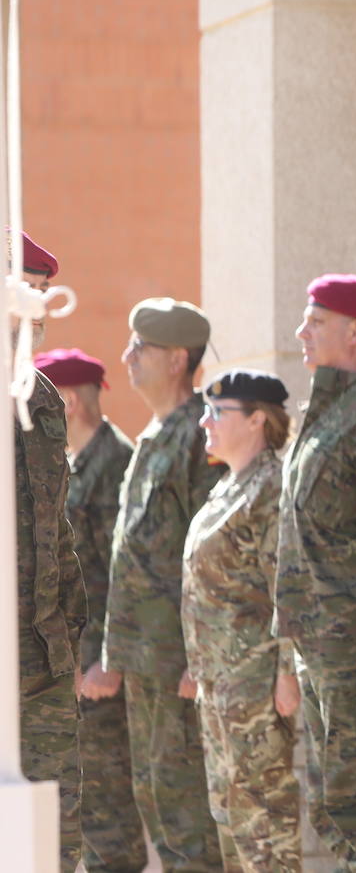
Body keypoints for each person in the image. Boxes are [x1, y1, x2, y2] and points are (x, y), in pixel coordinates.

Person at [275, 274, 356, 870]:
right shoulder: (325, 410)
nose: (301, 331)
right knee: (331, 805)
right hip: (319, 646)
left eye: (316, 321)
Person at [96, 297, 225, 870]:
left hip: (176, 659)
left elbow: (208, 555)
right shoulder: (153, 437)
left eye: (139, 347)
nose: (127, 356)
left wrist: (199, 655)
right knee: (155, 801)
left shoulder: (199, 436)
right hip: (143, 657)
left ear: (176, 360)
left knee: (186, 811)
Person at [183, 369, 301, 871]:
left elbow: (286, 585)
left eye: (217, 412)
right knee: (231, 821)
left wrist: (287, 672)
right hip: (219, 685)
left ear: (256, 419)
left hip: (255, 686)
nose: (204, 422)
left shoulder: (270, 486)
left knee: (265, 827)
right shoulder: (228, 486)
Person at [36, 347, 146, 873]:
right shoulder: (80, 463)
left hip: (101, 668)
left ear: (70, 402)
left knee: (107, 810)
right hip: (80, 661)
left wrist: (108, 656)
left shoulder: (114, 463)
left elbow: (120, 572)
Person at [13, 235, 86, 871]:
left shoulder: (42, 397)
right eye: (23, 291)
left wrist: (70, 630)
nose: (35, 309)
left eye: (41, 294)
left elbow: (54, 524)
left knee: (54, 837)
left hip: (42, 657)